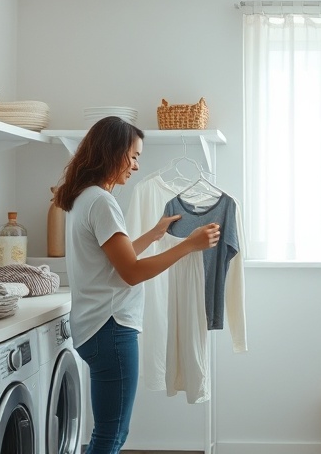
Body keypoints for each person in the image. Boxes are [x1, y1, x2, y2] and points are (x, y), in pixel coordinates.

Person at [53, 116, 220, 454]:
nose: (136, 166)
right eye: (133, 156)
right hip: (111, 328)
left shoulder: (85, 198)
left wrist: (155, 234)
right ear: (111, 153)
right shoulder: (102, 202)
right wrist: (188, 245)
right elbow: (131, 272)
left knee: (107, 432)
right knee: (111, 436)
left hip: (94, 327)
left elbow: (116, 260)